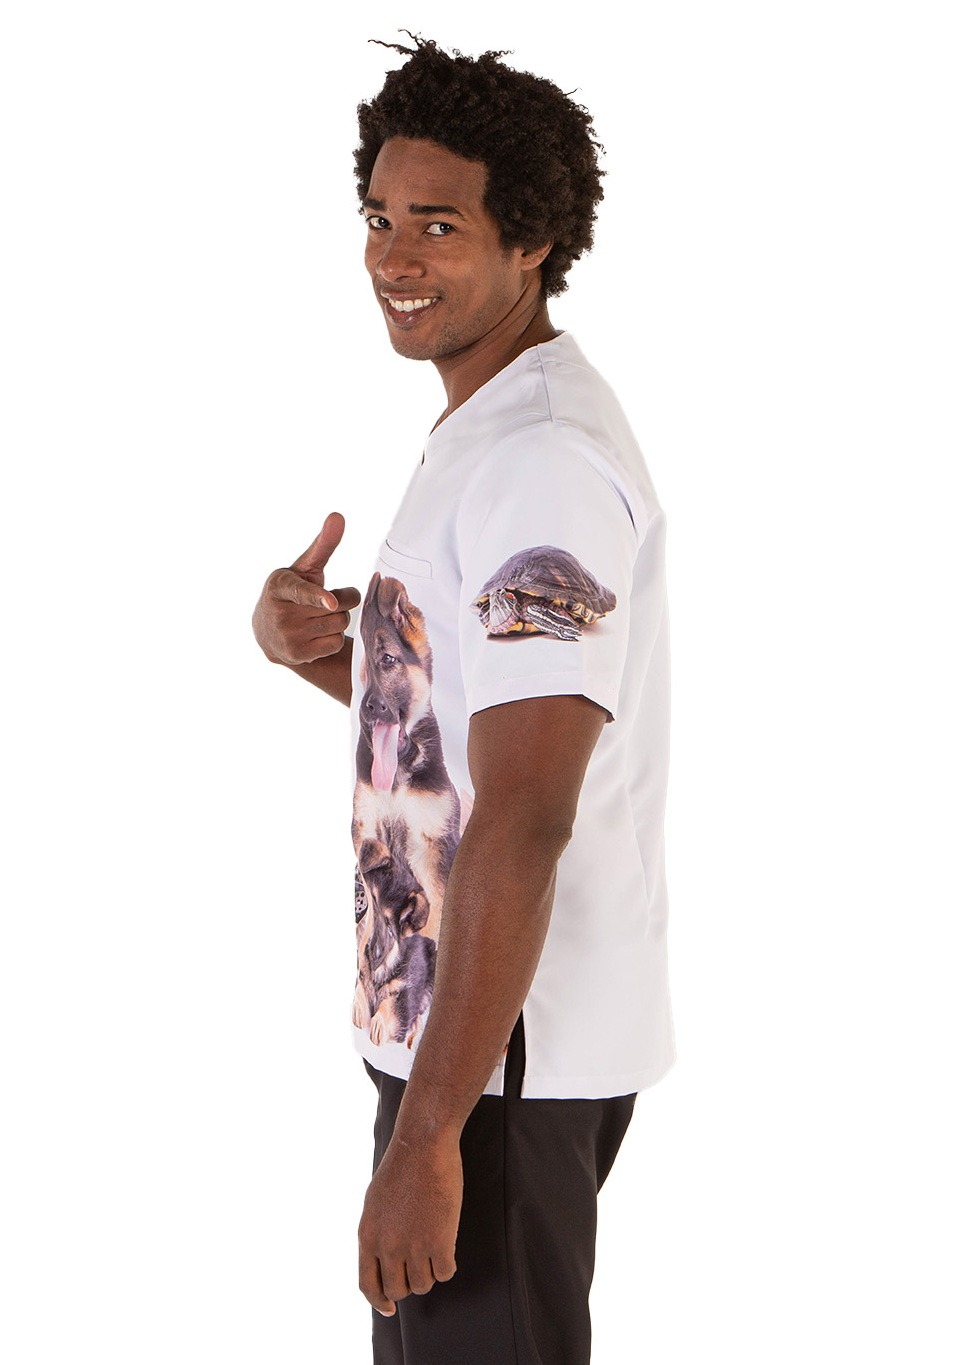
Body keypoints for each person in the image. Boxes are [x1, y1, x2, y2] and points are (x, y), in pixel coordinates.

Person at [252, 34, 676, 1364]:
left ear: (532, 241)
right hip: (463, 1044)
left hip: (496, 1063)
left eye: (439, 225)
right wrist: (324, 655)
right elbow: (472, 725)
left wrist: (433, 1132)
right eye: (381, 217)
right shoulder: (490, 425)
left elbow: (528, 811)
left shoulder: (541, 465)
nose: (394, 257)